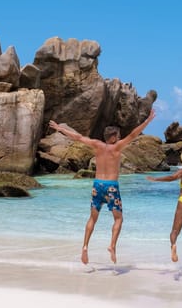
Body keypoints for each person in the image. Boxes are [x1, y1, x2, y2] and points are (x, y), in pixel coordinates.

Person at [48, 108, 155, 265]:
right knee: (118, 219)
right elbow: (133, 135)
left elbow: (77, 137)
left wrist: (60, 129)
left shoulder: (96, 145)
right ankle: (112, 246)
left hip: (97, 185)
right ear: (112, 137)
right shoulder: (117, 147)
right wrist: (147, 121)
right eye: (118, 136)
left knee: (93, 217)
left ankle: (84, 247)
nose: (119, 138)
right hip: (111, 186)